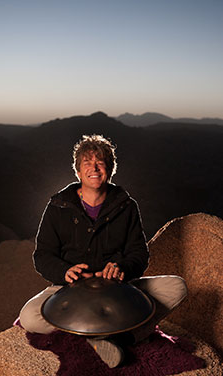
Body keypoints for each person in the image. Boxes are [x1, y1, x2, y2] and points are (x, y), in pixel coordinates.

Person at [19, 134, 187, 368]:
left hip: (118, 288)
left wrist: (122, 268)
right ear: (77, 171)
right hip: (70, 287)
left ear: (110, 169)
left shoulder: (126, 206)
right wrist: (65, 271)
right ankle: (102, 338)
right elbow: (42, 256)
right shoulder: (58, 206)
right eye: (87, 163)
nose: (94, 168)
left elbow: (139, 253)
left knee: (176, 287)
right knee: (30, 317)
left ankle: (121, 339)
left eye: (101, 163)